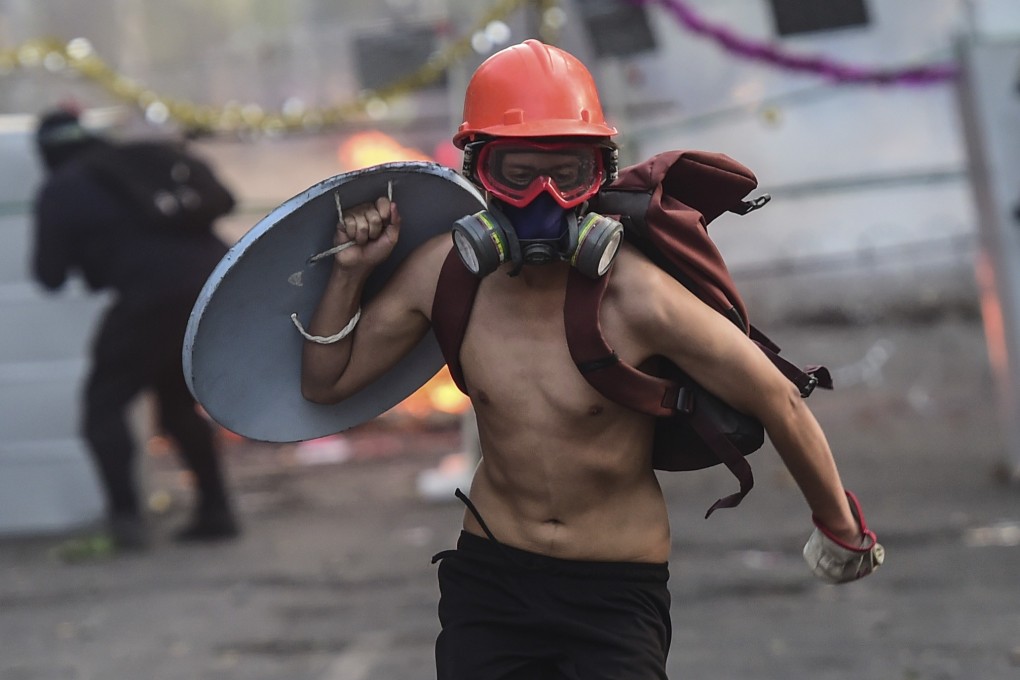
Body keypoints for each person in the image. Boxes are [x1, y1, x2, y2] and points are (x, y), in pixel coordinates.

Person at [300, 40, 882, 679]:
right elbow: (328, 382)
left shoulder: (639, 297)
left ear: (599, 176)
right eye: (516, 174)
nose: (543, 199)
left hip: (615, 587)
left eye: (567, 174)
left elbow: (776, 398)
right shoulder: (441, 275)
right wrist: (349, 274)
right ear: (476, 172)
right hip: (491, 576)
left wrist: (839, 524)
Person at [32, 107, 241, 550]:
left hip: (151, 297)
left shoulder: (63, 185)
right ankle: (216, 510)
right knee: (177, 403)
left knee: (102, 407)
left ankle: (126, 521)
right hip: (216, 286)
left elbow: (48, 274)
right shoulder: (140, 162)